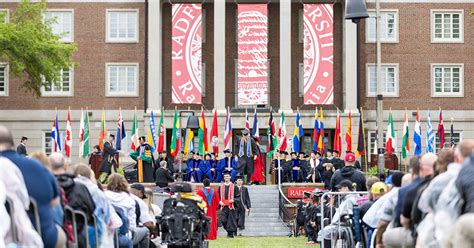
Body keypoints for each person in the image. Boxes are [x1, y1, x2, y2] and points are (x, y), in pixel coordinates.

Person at [0, 126, 65, 248]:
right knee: (62, 233)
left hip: (8, 240)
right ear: (11, 143)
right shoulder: (37, 166)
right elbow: (54, 202)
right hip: (43, 236)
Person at [50, 153, 96, 248]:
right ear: (66, 167)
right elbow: (92, 213)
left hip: (52, 237)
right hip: (78, 238)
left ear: (49, 167)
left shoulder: (46, 188)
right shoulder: (81, 188)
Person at [105, 174, 150, 248]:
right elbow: (132, 224)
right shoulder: (130, 199)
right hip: (126, 234)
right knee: (145, 231)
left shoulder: (104, 196)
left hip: (107, 233)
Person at [218, 171, 238, 238]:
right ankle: (229, 232)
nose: (226, 178)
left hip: (231, 206)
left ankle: (230, 234)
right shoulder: (221, 187)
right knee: (223, 220)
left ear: (230, 177)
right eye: (225, 177)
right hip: (223, 206)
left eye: (227, 176)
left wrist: (234, 200)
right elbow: (218, 196)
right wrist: (219, 201)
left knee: (230, 221)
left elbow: (238, 197)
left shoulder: (234, 186)